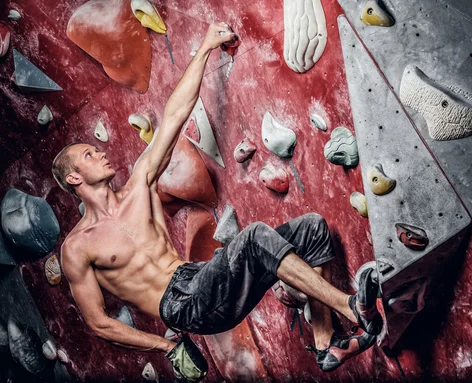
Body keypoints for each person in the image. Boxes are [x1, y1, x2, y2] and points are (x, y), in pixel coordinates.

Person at [52, 22, 383, 380]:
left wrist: (206, 46)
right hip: (183, 306)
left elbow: (176, 114)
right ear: (74, 178)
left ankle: (325, 341)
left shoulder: (140, 185)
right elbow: (99, 323)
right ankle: (352, 309)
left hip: (203, 280)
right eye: (88, 155)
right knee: (255, 238)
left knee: (313, 230)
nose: (99, 153)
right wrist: (166, 346)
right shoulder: (78, 247)